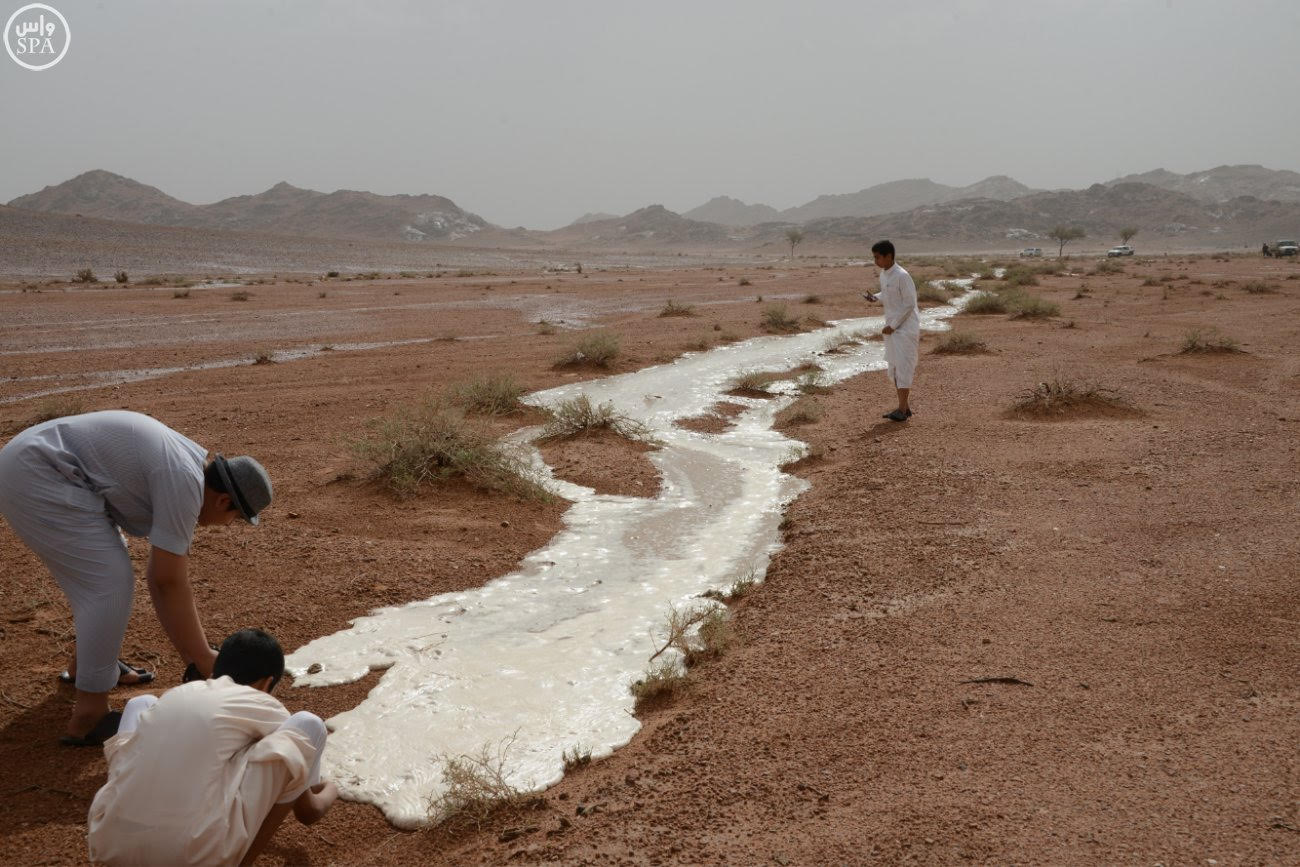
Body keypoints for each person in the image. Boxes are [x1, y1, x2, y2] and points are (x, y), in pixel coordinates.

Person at [0, 410, 272, 745]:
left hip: (39, 464)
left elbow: (162, 581)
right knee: (109, 586)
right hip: (38, 472)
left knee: (106, 571)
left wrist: (195, 655)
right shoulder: (185, 484)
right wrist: (202, 658)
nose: (228, 525)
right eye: (236, 517)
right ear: (223, 500)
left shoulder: (188, 466)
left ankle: (87, 664)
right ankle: (90, 714)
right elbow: (165, 581)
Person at [87, 628, 339, 866]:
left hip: (109, 845)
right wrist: (331, 789)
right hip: (195, 857)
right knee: (308, 725)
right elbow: (307, 811)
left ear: (214, 672)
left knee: (140, 703)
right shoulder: (261, 702)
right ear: (266, 684)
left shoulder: (180, 693)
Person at [863, 239, 920, 421]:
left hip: (905, 329)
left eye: (877, 257)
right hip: (892, 328)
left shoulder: (902, 275)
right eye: (874, 257)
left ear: (889, 256)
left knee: (903, 367)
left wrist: (893, 325)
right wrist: (876, 297)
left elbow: (909, 304)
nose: (875, 261)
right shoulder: (884, 274)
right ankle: (904, 407)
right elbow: (888, 294)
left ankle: (902, 411)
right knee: (895, 368)